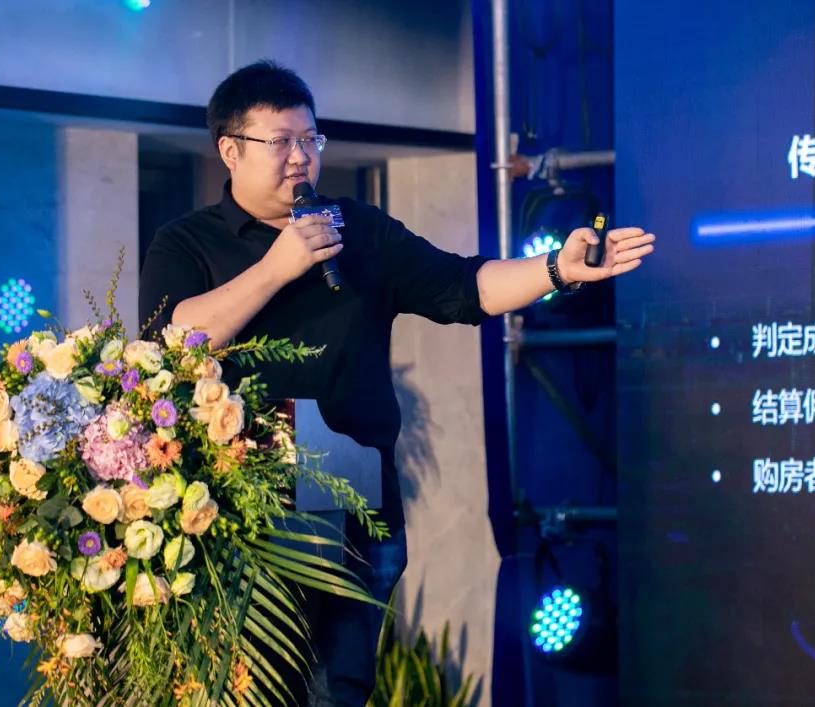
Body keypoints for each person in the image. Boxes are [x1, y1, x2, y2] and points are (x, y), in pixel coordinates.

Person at [138, 59, 655, 706]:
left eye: (311, 139)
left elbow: (465, 286)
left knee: (338, 689)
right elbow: (171, 340)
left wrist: (557, 268)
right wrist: (277, 265)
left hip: (350, 488)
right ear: (230, 150)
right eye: (281, 142)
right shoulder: (185, 243)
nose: (301, 157)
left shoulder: (357, 229)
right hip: (233, 504)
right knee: (247, 690)